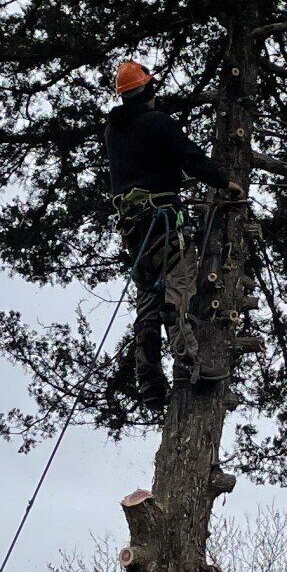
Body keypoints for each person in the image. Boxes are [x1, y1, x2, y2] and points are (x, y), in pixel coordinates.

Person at [104, 59, 219, 411]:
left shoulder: (114, 130)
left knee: (148, 301)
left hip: (135, 231)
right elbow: (192, 158)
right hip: (163, 222)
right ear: (149, 90)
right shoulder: (157, 123)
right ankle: (192, 362)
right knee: (178, 291)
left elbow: (146, 166)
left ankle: (149, 379)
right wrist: (224, 182)